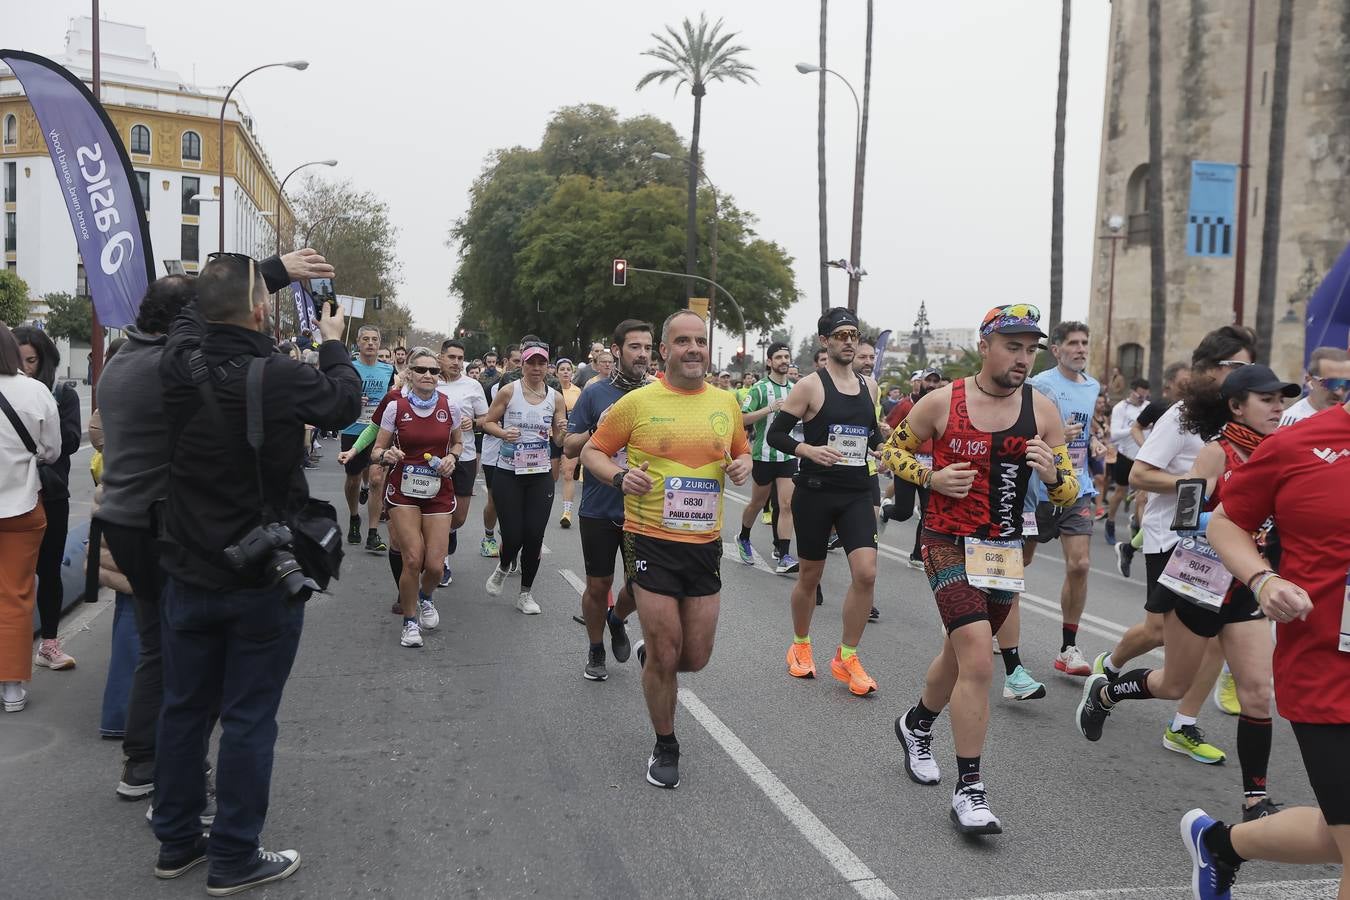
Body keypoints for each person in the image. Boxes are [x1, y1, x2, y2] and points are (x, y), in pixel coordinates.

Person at [152, 252, 359, 893]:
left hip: (188, 567)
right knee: (248, 716)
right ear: (263, 313)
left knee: (184, 708)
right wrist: (331, 343)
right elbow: (345, 404)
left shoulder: (176, 360)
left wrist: (267, 270)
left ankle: (178, 841)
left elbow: (191, 311)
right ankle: (235, 854)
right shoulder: (279, 377)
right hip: (261, 574)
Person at [881, 302, 1077, 835]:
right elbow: (890, 454)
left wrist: (1053, 474)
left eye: (1031, 349)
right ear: (985, 346)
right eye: (1013, 346)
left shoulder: (1044, 410)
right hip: (946, 540)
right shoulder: (944, 402)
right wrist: (932, 478)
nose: (1023, 358)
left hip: (1002, 549)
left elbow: (1071, 488)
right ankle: (970, 791)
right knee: (978, 657)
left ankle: (915, 725)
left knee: (957, 650)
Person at [1078, 356, 1292, 825]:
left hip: (1247, 585)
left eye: (1282, 400)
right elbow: (1187, 517)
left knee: (1258, 692)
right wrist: (1228, 526)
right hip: (1202, 577)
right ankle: (1107, 694)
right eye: (1267, 400)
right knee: (1173, 683)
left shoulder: (1280, 450)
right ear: (1236, 406)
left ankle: (1255, 801)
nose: (1278, 408)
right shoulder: (1216, 452)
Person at [1183, 356, 1350, 900]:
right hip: (1328, 669)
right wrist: (1262, 580)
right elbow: (1224, 520)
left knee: (1341, 834)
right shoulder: (1298, 444)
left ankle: (1223, 845)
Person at [583, 309, 750, 788]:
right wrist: (618, 476)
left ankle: (654, 661)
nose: (694, 349)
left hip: (704, 544)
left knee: (694, 656)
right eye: (683, 341)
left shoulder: (725, 402)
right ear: (664, 351)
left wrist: (741, 465)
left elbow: (739, 450)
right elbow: (592, 450)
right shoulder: (638, 402)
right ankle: (666, 743)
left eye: (700, 341)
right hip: (649, 538)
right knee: (666, 648)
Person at [1089, 327, 1257, 768]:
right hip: (1175, 539)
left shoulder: (1245, 417)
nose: (1244, 375)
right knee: (1159, 631)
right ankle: (1109, 667)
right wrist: (1200, 483)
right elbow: (1142, 475)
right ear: (1209, 369)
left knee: (1216, 638)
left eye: (1248, 367)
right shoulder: (1185, 415)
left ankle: (1182, 725)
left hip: (1227, 543)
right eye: (1235, 366)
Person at [768, 310, 882, 695]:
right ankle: (800, 645)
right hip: (815, 492)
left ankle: (847, 656)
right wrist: (808, 451)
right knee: (809, 576)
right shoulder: (810, 387)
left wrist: (882, 450)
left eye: (854, 334)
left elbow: (871, 437)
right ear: (824, 341)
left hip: (855, 492)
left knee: (865, 573)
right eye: (840, 335)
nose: (849, 341)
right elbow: (776, 435)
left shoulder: (871, 387)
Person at [1004, 321, 1099, 684]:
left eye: (1084, 342)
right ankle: (1000, 623)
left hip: (1076, 486)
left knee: (1080, 564)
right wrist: (1055, 431)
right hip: (1035, 489)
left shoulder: (1093, 386)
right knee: (1020, 562)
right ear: (1056, 350)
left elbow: (1084, 435)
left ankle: (1068, 648)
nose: (1080, 349)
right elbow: (1020, 424)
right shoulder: (1039, 384)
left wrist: (1093, 445)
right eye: (1072, 343)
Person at [564, 319, 651, 681]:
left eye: (648, 347)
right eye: (635, 347)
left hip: (644, 509)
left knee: (641, 585)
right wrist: (600, 431)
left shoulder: (657, 394)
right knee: (599, 585)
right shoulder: (594, 393)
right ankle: (596, 647)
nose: (643, 354)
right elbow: (568, 446)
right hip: (600, 504)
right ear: (616, 351)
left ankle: (618, 619)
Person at [369, 348, 462, 648]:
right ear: (408, 373)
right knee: (412, 558)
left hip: (438, 492)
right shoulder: (396, 407)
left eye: (433, 371)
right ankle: (409, 622)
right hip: (404, 491)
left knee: (435, 566)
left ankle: (424, 597)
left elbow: (458, 443)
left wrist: (452, 458)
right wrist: (387, 454)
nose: (427, 375)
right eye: (421, 370)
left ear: (440, 376)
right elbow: (376, 450)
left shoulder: (451, 407)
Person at [12, 326, 81, 670]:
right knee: (13, 577)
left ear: (45, 360)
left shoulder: (61, 395)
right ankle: (12, 650)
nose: (25, 368)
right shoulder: (8, 394)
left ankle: (49, 644)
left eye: (32, 360)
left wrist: (29, 449)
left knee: (49, 569)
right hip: (12, 495)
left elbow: (67, 442)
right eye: (19, 360)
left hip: (51, 493)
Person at [0, 323, 60, 713]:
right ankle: (11, 689)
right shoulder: (35, 391)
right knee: (15, 595)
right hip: (20, 507)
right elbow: (51, 450)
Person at [481, 342, 566, 614]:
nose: (537, 368)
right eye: (531, 363)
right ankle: (505, 565)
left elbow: (560, 438)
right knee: (514, 534)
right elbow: (487, 422)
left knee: (534, 535)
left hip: (540, 473)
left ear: (548, 366)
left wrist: (563, 430)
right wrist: (504, 433)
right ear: (523, 365)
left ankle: (525, 593)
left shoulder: (556, 397)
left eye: (542, 363)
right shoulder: (509, 391)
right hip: (509, 471)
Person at [1115, 361, 1191, 577]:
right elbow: (1136, 427)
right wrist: (1146, 449)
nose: (1189, 387)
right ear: (1170, 385)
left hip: (1179, 476)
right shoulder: (1160, 407)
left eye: (1191, 382)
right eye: (1184, 383)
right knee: (1144, 502)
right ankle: (1135, 544)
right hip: (1155, 469)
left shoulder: (1198, 412)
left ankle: (1129, 547)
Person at [736, 342, 801, 575]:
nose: (784, 361)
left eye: (787, 356)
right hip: (763, 455)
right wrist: (769, 409)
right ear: (769, 362)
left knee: (786, 505)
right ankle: (743, 537)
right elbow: (742, 420)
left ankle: (784, 554)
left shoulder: (796, 389)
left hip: (787, 456)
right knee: (757, 503)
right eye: (779, 357)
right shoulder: (759, 389)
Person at [434, 339, 489, 586]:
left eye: (460, 358)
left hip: (463, 456)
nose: (456, 362)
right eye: (451, 357)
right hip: (432, 457)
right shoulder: (430, 381)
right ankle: (441, 560)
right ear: (441, 358)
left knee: (459, 517)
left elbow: (486, 418)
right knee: (436, 511)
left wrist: (473, 423)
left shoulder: (473, 386)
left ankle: (450, 532)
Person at [340, 325, 394, 553]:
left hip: (379, 430)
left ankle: (372, 532)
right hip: (353, 428)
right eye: (366, 339)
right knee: (353, 480)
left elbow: (393, 398)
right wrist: (351, 400)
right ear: (358, 342)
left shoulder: (388, 369)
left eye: (374, 340)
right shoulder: (349, 368)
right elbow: (337, 396)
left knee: (376, 480)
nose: (370, 343)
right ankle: (354, 518)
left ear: (379, 343)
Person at [881, 368, 943, 568]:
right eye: (928, 380)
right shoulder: (906, 404)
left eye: (936, 381)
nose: (932, 384)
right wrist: (888, 451)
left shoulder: (943, 407)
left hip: (930, 469)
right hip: (906, 463)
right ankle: (886, 510)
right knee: (904, 511)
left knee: (927, 514)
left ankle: (917, 555)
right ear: (920, 382)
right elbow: (889, 426)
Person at [479, 344, 521, 558]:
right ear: (506, 363)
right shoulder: (493, 388)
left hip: (522, 453)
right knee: (496, 499)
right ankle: (488, 537)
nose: (521, 366)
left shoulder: (537, 389)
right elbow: (483, 419)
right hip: (495, 450)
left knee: (517, 500)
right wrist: (501, 431)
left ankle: (511, 542)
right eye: (516, 362)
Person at [1106, 378, 1150, 544]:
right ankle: (1110, 522)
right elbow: (1115, 434)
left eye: (1145, 395)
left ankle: (1139, 530)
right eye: (1140, 395)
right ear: (1132, 391)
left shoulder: (1148, 407)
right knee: (1120, 492)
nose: (1142, 398)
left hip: (1144, 458)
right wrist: (1136, 428)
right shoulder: (1121, 408)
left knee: (1143, 497)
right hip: (1125, 456)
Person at [1279, 346, 1348, 427]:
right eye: (1331, 383)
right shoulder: (1289, 426)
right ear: (1309, 380)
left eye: (1347, 384)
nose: (1339, 392)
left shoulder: (1346, 419)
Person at [555, 359, 583, 528]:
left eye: (568, 369)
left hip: (571, 436)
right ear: (556, 372)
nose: (565, 372)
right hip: (552, 436)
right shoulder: (550, 390)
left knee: (568, 473)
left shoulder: (578, 391)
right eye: (562, 369)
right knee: (551, 476)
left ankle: (567, 512)